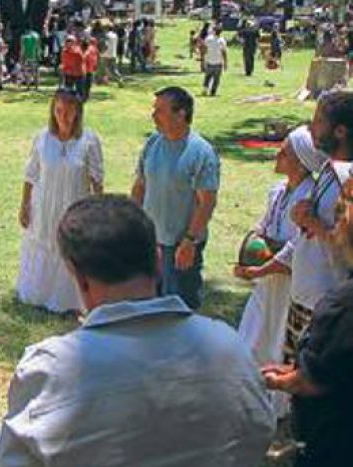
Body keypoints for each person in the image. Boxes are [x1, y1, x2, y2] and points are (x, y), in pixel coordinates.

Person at [0, 194, 275, 467]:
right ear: (156, 261)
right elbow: (258, 434)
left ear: (78, 276)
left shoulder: (54, 369)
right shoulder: (229, 350)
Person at [262, 173, 353, 467]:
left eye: (347, 206)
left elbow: (314, 382)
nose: (339, 215)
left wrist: (280, 379)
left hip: (334, 462)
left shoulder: (344, 305)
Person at [235, 126, 328, 366]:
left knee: (279, 343)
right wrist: (249, 257)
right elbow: (264, 226)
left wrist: (264, 268)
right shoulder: (277, 190)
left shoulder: (309, 197)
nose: (278, 155)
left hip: (290, 282)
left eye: (284, 152)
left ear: (300, 162)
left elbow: (298, 245)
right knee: (251, 338)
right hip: (267, 278)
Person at [131, 87, 219, 310]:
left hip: (180, 247)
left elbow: (206, 202)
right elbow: (140, 186)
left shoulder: (201, 152)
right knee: (148, 308)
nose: (153, 115)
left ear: (181, 114)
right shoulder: (152, 143)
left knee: (179, 311)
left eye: (160, 110)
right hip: (151, 243)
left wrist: (190, 241)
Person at [18, 89, 103, 313]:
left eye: (68, 111)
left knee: (72, 251)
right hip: (45, 206)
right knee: (44, 243)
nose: (63, 116)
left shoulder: (89, 141)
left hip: (74, 207)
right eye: (58, 111)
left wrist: (99, 212)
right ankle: (41, 293)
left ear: (78, 112)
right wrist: (25, 205)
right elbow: (31, 175)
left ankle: (72, 301)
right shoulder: (42, 138)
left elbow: (97, 181)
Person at [202, 27, 227, 96]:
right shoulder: (222, 40)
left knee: (207, 77)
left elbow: (204, 49)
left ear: (214, 31)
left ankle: (205, 89)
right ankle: (213, 91)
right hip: (218, 62)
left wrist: (203, 59)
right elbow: (224, 52)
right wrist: (225, 62)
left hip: (209, 61)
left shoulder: (208, 39)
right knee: (216, 79)